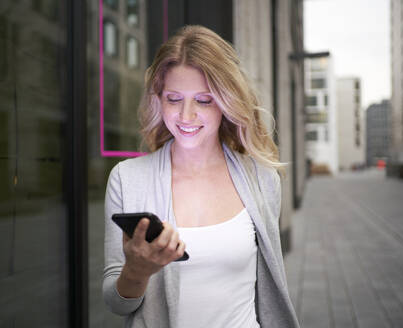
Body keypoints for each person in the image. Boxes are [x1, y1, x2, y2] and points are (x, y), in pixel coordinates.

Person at [103, 25, 300, 328]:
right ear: (159, 99)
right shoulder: (128, 179)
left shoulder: (262, 179)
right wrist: (137, 271)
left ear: (226, 101)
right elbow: (116, 303)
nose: (186, 116)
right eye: (174, 98)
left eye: (204, 100)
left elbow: (269, 293)